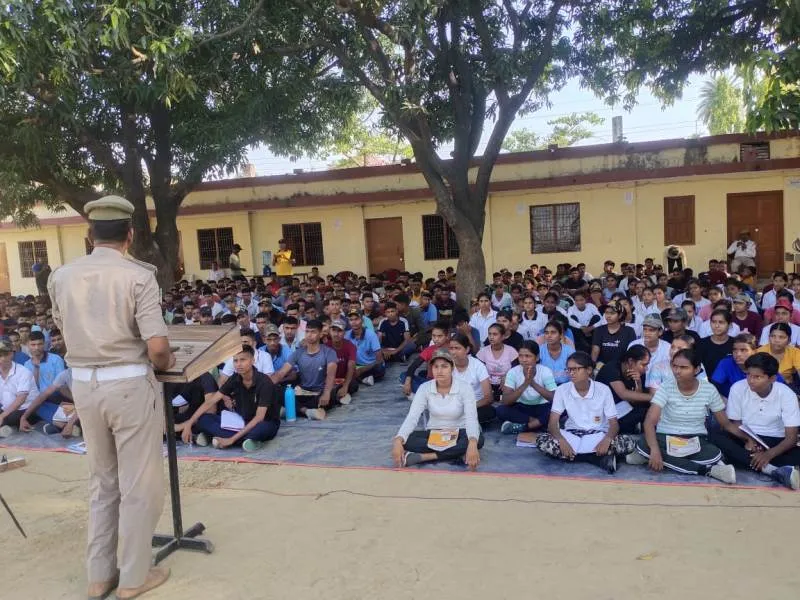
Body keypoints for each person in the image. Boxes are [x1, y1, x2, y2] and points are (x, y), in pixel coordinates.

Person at [47, 195, 176, 598]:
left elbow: (62, 328)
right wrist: (163, 362)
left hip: (84, 385)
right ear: (130, 235)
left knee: (102, 482)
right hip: (129, 385)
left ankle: (99, 575)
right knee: (139, 483)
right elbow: (157, 347)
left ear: (89, 235)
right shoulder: (139, 275)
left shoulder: (61, 276)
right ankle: (134, 577)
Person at [626, 349, 738, 484]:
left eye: (683, 367)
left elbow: (725, 424)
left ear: (696, 369)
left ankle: (647, 456)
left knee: (714, 454)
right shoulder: (666, 387)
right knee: (645, 443)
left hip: (695, 439)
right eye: (675, 366)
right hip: (665, 437)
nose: (677, 371)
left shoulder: (709, 389)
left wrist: (748, 438)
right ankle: (709, 471)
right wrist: (655, 450)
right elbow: (649, 422)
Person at [708, 353, 800, 489]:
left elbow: (791, 437)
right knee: (713, 435)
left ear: (772, 378)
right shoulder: (738, 388)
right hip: (746, 440)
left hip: (775, 443)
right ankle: (772, 470)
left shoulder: (786, 394)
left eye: (757, 377)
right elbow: (736, 424)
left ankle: (747, 461)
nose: (751, 380)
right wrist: (748, 440)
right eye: (748, 375)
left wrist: (768, 454)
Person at [536, 351, 637, 473]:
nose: (571, 373)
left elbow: (614, 424)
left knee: (628, 443)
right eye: (568, 370)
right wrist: (562, 440)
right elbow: (552, 423)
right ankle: (596, 458)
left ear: (589, 370)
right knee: (542, 440)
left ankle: (572, 457)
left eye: (576, 369)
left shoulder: (603, 390)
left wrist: (607, 439)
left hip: (598, 435)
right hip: (572, 435)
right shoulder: (562, 390)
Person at [392, 349, 483, 469]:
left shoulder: (465, 388)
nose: (439, 371)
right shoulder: (424, 388)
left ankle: (426, 457)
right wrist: (399, 439)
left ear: (452, 368)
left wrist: (472, 442)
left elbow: (471, 418)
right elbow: (412, 417)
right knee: (407, 440)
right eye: (436, 367)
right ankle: (456, 454)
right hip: (435, 434)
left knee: (478, 439)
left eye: (444, 366)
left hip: (459, 432)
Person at [178, 345, 280, 450]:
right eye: (235, 361)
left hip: (264, 423)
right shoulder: (235, 378)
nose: (238, 364)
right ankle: (246, 440)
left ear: (253, 361)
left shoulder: (264, 382)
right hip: (241, 421)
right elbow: (211, 401)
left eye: (243, 360)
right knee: (204, 419)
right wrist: (189, 424)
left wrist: (231, 440)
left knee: (259, 430)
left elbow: (259, 417)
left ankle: (231, 438)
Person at [272, 319, 338, 420]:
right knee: (279, 391)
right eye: (307, 331)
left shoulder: (329, 352)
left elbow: (331, 375)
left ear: (320, 334)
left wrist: (326, 393)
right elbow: (282, 372)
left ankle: (290, 410)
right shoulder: (298, 353)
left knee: (332, 395)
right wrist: (267, 384)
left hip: (319, 393)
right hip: (302, 392)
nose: (309, 335)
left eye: (313, 332)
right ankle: (305, 411)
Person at [497, 341, 557, 435]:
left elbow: (554, 398)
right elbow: (505, 400)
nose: (523, 359)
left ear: (536, 357)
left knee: (561, 407)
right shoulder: (513, 372)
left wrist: (532, 383)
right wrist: (526, 383)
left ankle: (526, 427)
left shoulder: (545, 371)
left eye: (528, 356)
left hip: (542, 407)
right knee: (501, 410)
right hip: (522, 408)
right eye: (520, 356)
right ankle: (539, 424)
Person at [596, 345, 652, 434]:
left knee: (648, 409)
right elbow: (623, 394)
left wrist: (639, 383)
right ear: (630, 361)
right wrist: (654, 397)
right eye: (643, 364)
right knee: (644, 411)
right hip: (603, 413)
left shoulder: (639, 372)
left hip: (622, 409)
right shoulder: (611, 368)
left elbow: (636, 401)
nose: (646, 368)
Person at [449, 333, 493, 425]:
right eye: (451, 348)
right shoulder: (447, 365)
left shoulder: (478, 366)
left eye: (457, 348)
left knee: (489, 412)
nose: (453, 352)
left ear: (467, 349)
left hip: (476, 405)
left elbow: (488, 398)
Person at [0, 339, 38, 438]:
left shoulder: (23, 372)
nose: (0, 358)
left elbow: (21, 399)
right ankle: (6, 428)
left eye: (3, 355)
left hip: (26, 409)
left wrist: (2, 416)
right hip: (6, 408)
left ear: (11, 354)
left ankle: (9, 429)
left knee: (10, 418)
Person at [401, 322, 449, 396]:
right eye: (434, 336)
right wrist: (408, 381)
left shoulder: (453, 348)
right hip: (431, 382)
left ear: (447, 336)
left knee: (406, 377)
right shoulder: (430, 349)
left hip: (444, 385)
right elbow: (414, 366)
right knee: (406, 375)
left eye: (440, 336)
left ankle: (426, 395)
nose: (436, 339)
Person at [476, 323, 519, 401]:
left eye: (495, 334)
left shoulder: (511, 351)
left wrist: (507, 377)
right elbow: (478, 371)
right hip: (487, 385)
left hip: (506, 385)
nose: (491, 337)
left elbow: (516, 370)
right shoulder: (483, 352)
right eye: (489, 334)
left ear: (503, 336)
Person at [345, 310, 385, 385]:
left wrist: (362, 370)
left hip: (371, 365)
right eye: (351, 320)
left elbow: (379, 359)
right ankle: (365, 378)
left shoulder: (371, 334)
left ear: (362, 320)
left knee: (380, 368)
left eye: (356, 319)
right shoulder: (347, 335)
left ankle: (361, 377)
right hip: (356, 366)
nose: (354, 322)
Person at [325, 319, 359, 403]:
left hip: (345, 379)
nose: (336, 334)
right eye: (333, 330)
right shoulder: (325, 347)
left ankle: (338, 393)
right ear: (330, 331)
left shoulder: (350, 346)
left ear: (344, 333)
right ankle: (337, 395)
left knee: (354, 385)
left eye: (339, 331)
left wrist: (345, 386)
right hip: (330, 380)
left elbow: (351, 365)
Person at [757, 323, 800, 387]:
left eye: (781, 337)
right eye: (773, 336)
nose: (776, 340)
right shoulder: (759, 352)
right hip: (765, 386)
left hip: (788, 386)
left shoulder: (795, 352)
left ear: (789, 340)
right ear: (768, 338)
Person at [696, 309, 734, 377]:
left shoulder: (735, 344)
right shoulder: (701, 343)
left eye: (721, 322)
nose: (716, 326)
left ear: (729, 325)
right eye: (713, 322)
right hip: (706, 384)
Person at [538, 320, 575, 384]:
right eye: (546, 333)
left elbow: (575, 373)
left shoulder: (569, 351)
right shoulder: (539, 351)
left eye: (553, 332)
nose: (549, 335)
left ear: (560, 335)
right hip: (544, 387)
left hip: (566, 387)